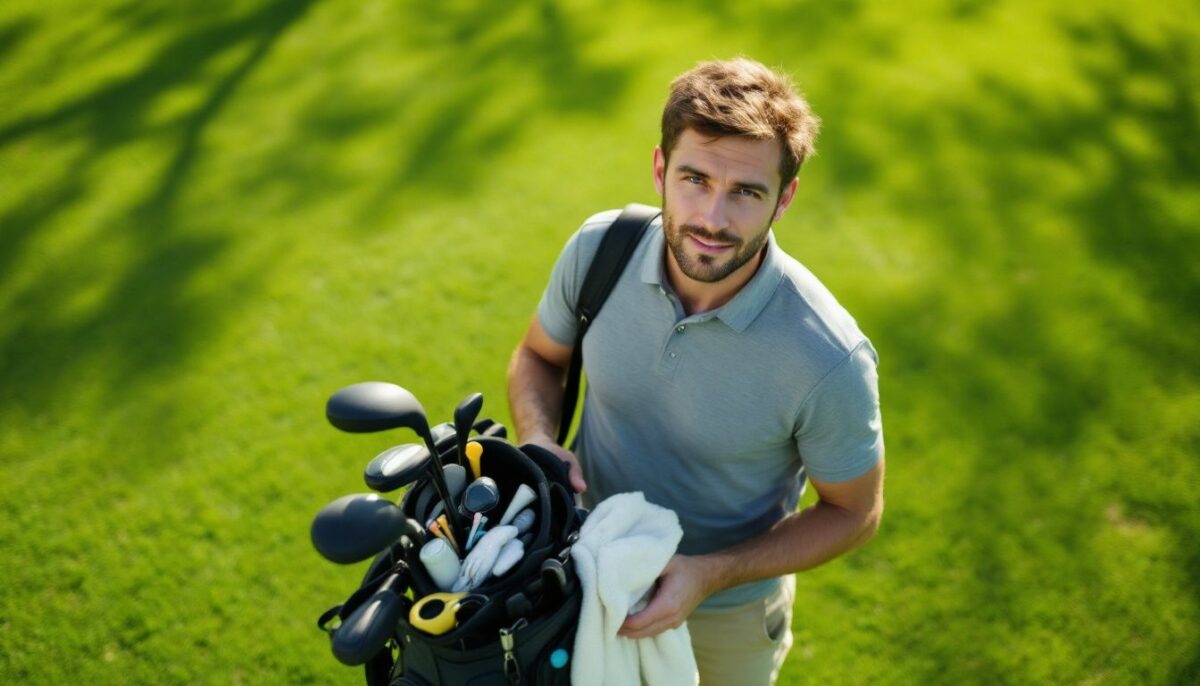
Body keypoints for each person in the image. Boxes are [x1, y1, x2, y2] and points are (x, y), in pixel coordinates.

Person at [507, 57, 885, 685]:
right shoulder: (601, 249)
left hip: (725, 618)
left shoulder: (828, 358)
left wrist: (710, 573)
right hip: (575, 564)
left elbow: (854, 512)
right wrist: (538, 439)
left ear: (784, 198)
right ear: (660, 168)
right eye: (694, 179)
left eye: (746, 192)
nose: (712, 218)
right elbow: (538, 357)